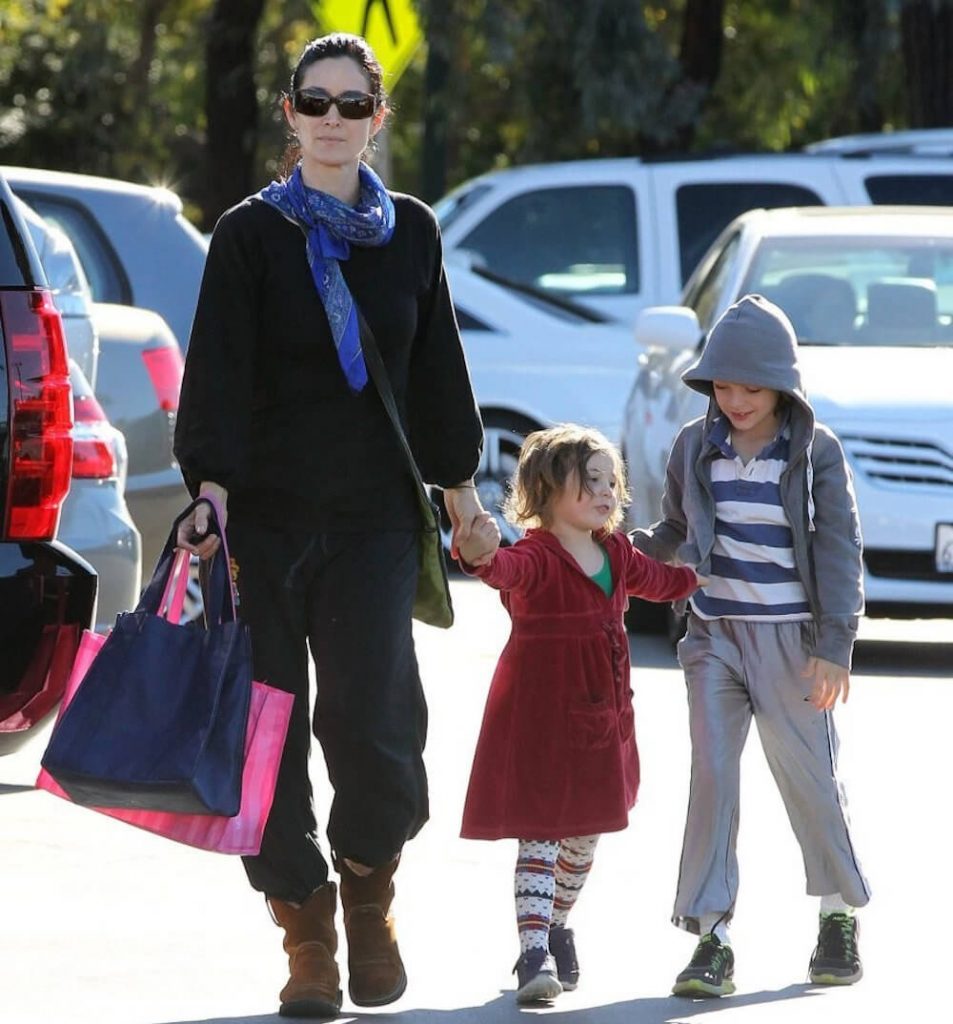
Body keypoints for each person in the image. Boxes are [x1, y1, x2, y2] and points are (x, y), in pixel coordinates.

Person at [172, 33, 488, 1019]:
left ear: (378, 118)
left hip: (373, 525)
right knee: (263, 735)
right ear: (291, 113)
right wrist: (210, 492)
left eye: (355, 105)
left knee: (377, 727)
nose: (335, 120)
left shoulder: (413, 233)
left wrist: (462, 496)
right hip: (262, 522)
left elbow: (435, 369)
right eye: (318, 101)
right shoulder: (248, 235)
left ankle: (367, 889)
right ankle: (304, 934)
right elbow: (216, 370)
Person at [630, 294, 870, 998]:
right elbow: (673, 530)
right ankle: (711, 936)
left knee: (810, 779)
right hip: (712, 637)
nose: (734, 400)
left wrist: (834, 644)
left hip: (793, 644)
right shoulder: (691, 446)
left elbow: (837, 550)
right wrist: (617, 558)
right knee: (712, 778)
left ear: (782, 387)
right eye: (722, 386)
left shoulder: (814, 452)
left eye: (751, 387)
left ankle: (835, 915)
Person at [455, 424, 704, 1004]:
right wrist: (478, 553)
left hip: (602, 717)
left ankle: (559, 923)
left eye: (611, 481)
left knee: (585, 838)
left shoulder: (616, 551)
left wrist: (701, 578)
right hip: (540, 717)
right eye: (589, 481)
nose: (606, 491)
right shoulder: (537, 555)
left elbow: (660, 581)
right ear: (545, 491)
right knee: (540, 834)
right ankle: (534, 950)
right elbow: (503, 571)